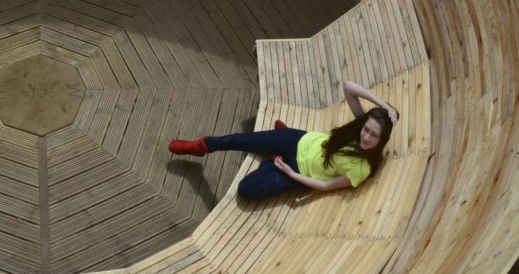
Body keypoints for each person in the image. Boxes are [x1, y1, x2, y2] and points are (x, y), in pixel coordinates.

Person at [168, 81, 399, 199]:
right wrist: (383, 105)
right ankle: (201, 146)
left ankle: (271, 158)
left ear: (382, 139)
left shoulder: (362, 168)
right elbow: (349, 86)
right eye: (366, 129)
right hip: (299, 140)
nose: (366, 136)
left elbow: (326, 186)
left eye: (373, 135)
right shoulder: (360, 127)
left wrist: (290, 173)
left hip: (298, 170)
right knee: (240, 140)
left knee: (246, 190)